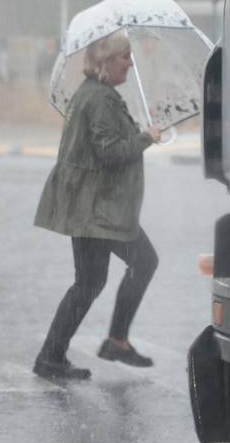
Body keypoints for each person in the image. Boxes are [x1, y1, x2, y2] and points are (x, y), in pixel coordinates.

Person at [32, 32, 163, 381]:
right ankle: (106, 343)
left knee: (89, 282)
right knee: (138, 263)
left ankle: (56, 354)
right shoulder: (100, 98)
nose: (130, 62)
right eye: (125, 56)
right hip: (98, 210)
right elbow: (110, 152)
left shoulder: (93, 94)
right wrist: (145, 137)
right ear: (107, 61)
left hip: (93, 206)